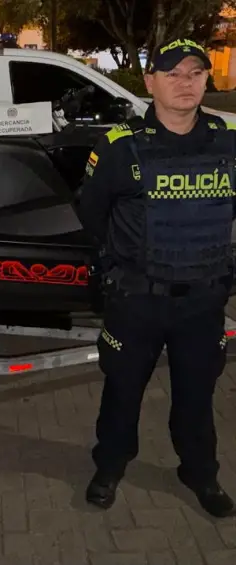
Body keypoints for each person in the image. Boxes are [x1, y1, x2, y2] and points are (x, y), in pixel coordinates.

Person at [76, 38, 236, 518]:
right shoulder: (120, 147)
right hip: (136, 301)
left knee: (197, 395)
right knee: (122, 391)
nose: (185, 83)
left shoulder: (229, 141)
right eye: (172, 74)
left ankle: (200, 473)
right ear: (149, 83)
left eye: (195, 73)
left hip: (203, 302)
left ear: (207, 79)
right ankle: (110, 465)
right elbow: (91, 214)